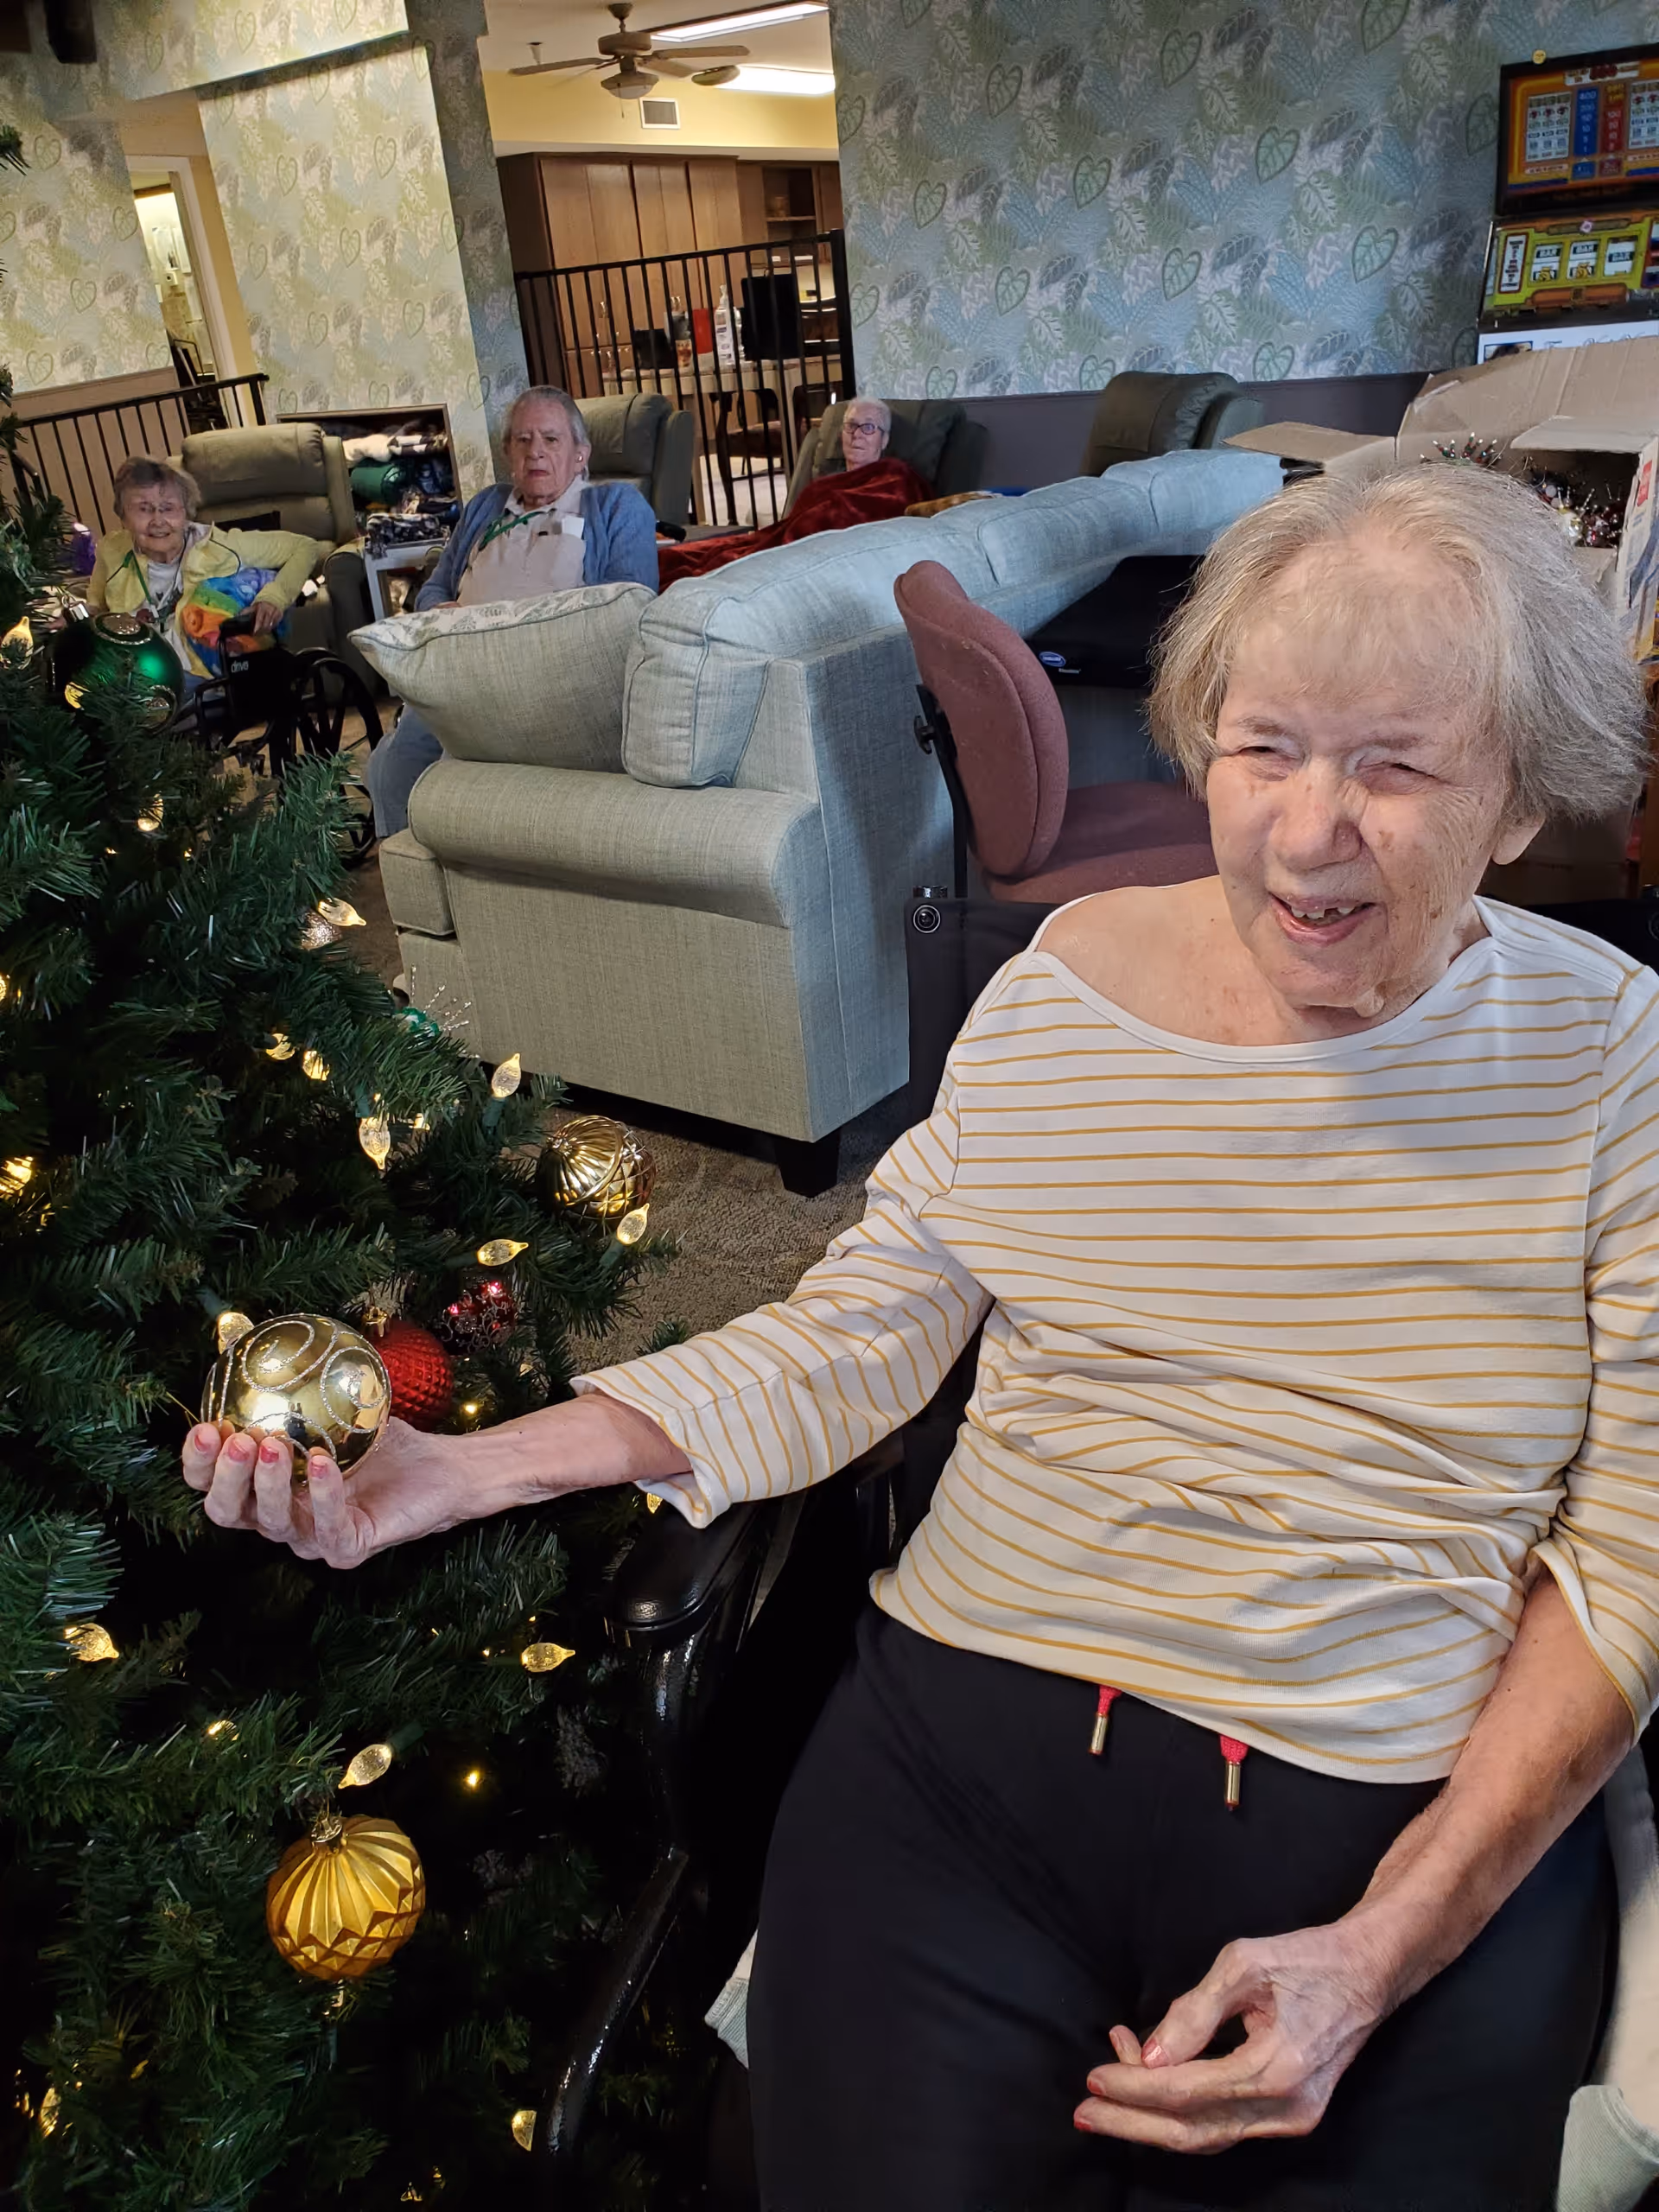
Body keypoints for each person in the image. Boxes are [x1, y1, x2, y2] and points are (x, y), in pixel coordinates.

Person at [181, 464, 1659, 2210]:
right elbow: (862, 1326)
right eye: (1265, 745)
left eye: (1396, 764)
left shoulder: (1610, 1055)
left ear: (1511, 799)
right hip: (963, 1782)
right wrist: (458, 1468)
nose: (1305, 827)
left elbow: (1631, 1548)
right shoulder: (1062, 989)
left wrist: (1386, 1950)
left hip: (1385, 1814)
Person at [365, 386, 659, 840]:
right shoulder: (487, 505)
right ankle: (412, 863)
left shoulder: (615, 507)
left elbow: (625, 608)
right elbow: (437, 584)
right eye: (522, 441)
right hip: (461, 666)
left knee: (454, 760)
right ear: (507, 453)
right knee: (393, 763)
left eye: (551, 440)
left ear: (581, 454)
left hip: (548, 675)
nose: (535, 452)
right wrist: (439, 610)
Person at [656, 394, 933, 588]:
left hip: (820, 553)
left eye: (869, 428)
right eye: (851, 426)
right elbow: (790, 524)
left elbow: (889, 512)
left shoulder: (893, 474)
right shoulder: (825, 481)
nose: (857, 434)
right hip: (783, 543)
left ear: (884, 440)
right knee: (676, 558)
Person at [86, 456, 318, 683]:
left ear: (186, 512)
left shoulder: (221, 547)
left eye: (168, 508)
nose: (158, 521)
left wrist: (274, 598)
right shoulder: (112, 551)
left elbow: (304, 547)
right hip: (132, 673)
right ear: (123, 516)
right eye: (144, 509)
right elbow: (95, 608)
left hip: (198, 675)